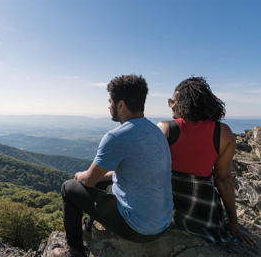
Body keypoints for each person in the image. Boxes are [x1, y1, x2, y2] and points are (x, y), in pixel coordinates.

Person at [52, 75, 173, 257]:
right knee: (105, 182)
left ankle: (74, 251)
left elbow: (88, 181)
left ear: (121, 105)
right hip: (162, 223)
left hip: (139, 229)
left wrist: (78, 175)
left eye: (110, 101)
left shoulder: (117, 136)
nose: (108, 106)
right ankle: (87, 227)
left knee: (68, 188)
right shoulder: (156, 131)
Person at [157, 76, 256, 245]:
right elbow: (223, 179)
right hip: (204, 215)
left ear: (184, 102)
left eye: (172, 101)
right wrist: (234, 225)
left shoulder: (165, 129)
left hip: (168, 210)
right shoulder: (223, 133)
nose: (171, 106)